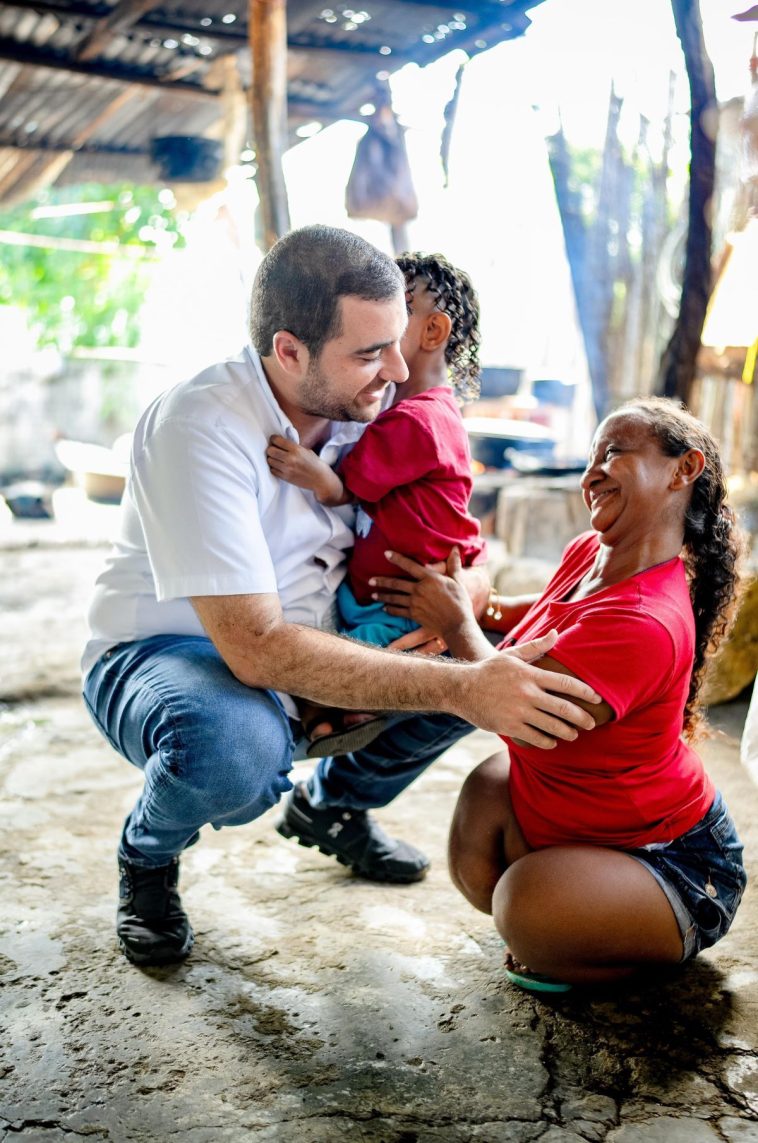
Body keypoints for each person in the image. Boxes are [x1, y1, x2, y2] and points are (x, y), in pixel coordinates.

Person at [81, 224, 601, 968]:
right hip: (176, 654)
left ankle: (332, 806)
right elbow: (255, 647)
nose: (395, 368)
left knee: (491, 663)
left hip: (322, 641)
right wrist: (460, 681)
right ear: (289, 351)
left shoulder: (372, 408)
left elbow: (469, 547)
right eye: (368, 353)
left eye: (395, 343)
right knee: (238, 749)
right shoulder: (203, 424)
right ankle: (149, 853)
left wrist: (458, 607)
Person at [372, 397, 747, 990]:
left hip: (674, 864)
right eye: (593, 455)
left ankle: (598, 944)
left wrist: (457, 627)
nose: (593, 472)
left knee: (521, 906)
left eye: (616, 452)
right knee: (486, 807)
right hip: (586, 829)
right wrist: (479, 602)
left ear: (684, 470)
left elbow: (522, 712)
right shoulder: (590, 553)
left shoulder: (644, 620)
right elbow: (541, 615)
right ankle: (569, 921)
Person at [265, 252, 487, 756]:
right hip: (388, 591)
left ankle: (344, 712)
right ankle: (336, 714)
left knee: (347, 664)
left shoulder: (415, 420)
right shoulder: (411, 410)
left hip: (404, 601)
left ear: (432, 333)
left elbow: (353, 485)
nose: (378, 318)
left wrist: (319, 476)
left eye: (396, 307)